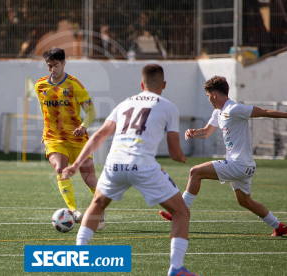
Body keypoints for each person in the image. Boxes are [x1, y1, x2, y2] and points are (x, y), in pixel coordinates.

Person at [63, 64, 200, 276]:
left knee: (97, 204)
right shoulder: (169, 107)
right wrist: (180, 156)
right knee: (181, 211)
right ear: (164, 85)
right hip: (143, 165)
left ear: (141, 84)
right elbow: (174, 152)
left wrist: (75, 164)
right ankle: (176, 268)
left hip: (115, 162)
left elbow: (99, 135)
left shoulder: (124, 104)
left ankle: (79, 254)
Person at [159, 75, 287, 237]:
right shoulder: (218, 113)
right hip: (241, 165)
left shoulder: (234, 109)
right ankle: (279, 226)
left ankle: (180, 211)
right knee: (245, 201)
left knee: (195, 172)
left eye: (208, 96)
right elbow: (206, 132)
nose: (208, 100)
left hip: (239, 164)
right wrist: (193, 132)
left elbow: (265, 112)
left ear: (214, 95)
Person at [35, 47, 106, 229]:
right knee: (60, 169)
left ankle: (100, 209)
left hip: (77, 139)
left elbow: (91, 110)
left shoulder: (74, 84)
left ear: (64, 63)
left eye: (56, 65)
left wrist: (83, 127)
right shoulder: (40, 86)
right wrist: (46, 132)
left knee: (90, 179)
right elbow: (46, 112)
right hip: (54, 138)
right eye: (49, 66)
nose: (52, 69)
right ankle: (73, 211)